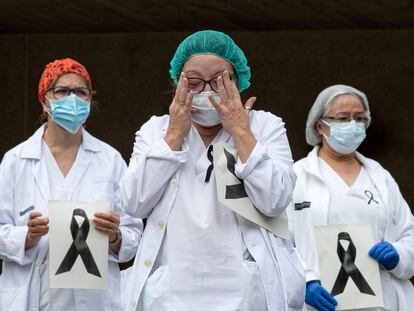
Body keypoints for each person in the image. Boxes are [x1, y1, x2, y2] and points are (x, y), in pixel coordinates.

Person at [121, 30, 305, 311]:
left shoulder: (264, 126)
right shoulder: (156, 130)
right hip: (172, 292)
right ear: (177, 83)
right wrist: (172, 138)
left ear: (238, 81)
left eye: (219, 81)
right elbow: (133, 202)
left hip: (245, 291)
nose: (207, 92)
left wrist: (241, 132)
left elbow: (276, 200)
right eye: (194, 82)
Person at [0, 58, 143, 311]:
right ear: (45, 100)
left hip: (93, 300)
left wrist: (115, 237)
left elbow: (134, 234)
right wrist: (26, 236)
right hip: (33, 296)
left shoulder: (110, 160)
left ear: (90, 100)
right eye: (62, 91)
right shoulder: (15, 161)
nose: (72, 98)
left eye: (81, 92)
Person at [288, 84, 414, 311]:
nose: (353, 125)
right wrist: (305, 280)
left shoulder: (380, 177)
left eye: (359, 118)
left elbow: (409, 233)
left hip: (383, 303)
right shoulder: (295, 176)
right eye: (343, 118)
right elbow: (278, 242)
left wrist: (399, 254)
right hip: (322, 303)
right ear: (320, 126)